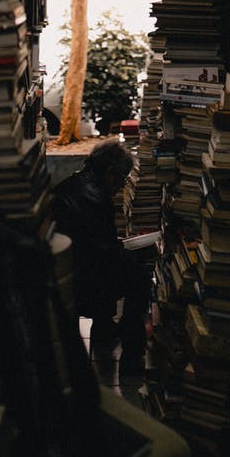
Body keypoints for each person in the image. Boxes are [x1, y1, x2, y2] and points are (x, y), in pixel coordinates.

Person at [51, 140, 151, 374]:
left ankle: (105, 331)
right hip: (86, 281)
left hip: (68, 272)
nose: (120, 187)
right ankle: (131, 356)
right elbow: (103, 253)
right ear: (110, 174)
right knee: (140, 278)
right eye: (122, 179)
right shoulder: (96, 197)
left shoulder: (71, 184)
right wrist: (130, 251)